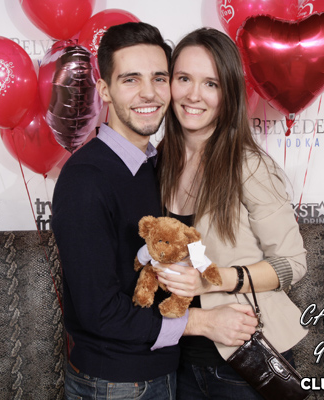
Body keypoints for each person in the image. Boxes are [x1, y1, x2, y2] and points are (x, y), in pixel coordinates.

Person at [51, 22, 257, 400]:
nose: (149, 92)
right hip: (115, 383)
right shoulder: (86, 179)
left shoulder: (155, 166)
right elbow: (99, 311)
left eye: (159, 78)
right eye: (131, 79)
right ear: (105, 91)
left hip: (164, 372)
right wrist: (202, 322)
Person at [156, 27, 308, 400]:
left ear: (229, 94)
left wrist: (213, 280)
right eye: (184, 79)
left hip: (241, 362)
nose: (194, 95)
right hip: (173, 362)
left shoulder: (249, 165)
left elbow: (292, 264)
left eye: (211, 84)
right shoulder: (158, 164)